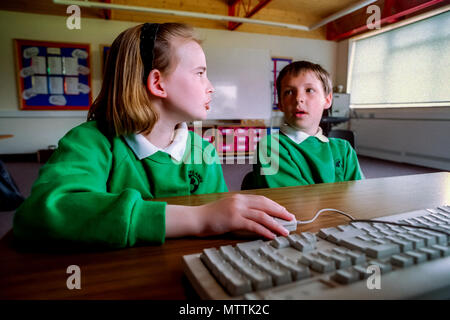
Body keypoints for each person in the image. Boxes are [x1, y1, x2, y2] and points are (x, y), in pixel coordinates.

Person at [13, 23, 294, 248]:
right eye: (200, 73)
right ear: (158, 83)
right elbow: (39, 215)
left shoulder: (202, 150)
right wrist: (198, 218)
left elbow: (215, 228)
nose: (211, 87)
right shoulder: (90, 141)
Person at [245, 60, 364, 189]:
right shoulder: (271, 147)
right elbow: (294, 204)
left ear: (327, 100)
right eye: (289, 92)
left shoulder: (344, 149)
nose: (298, 98)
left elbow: (360, 196)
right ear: (280, 104)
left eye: (309, 90)